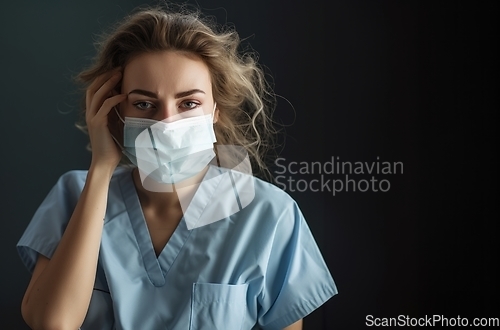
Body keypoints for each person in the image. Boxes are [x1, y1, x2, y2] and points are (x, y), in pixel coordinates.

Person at [17, 4, 337, 330]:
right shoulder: (73, 196)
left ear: (216, 110)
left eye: (189, 103)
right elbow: (52, 322)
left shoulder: (270, 215)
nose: (167, 123)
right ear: (116, 111)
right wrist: (101, 168)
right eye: (144, 104)